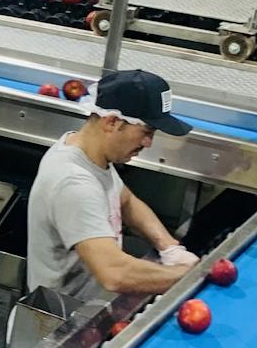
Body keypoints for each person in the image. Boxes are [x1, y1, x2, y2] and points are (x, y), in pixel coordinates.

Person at [24, 68, 197, 311]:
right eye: (146, 132)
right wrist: (192, 278)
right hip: (63, 317)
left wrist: (170, 248)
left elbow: (126, 201)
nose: (148, 143)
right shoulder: (74, 182)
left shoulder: (89, 151)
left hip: (93, 302)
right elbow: (114, 274)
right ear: (112, 122)